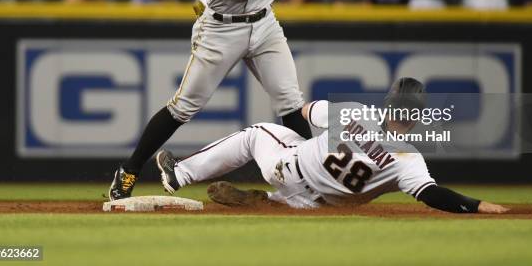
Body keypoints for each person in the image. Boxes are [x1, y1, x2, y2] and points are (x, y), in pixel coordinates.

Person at [109, 0, 312, 200]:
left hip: (265, 24)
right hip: (221, 29)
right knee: (183, 107)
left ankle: (313, 178)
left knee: (290, 101)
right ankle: (130, 169)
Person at [155, 77, 508, 214]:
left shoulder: (356, 111)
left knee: (257, 132)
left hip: (288, 168)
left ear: (389, 102)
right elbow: (432, 194)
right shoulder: (407, 158)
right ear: (416, 117)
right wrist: (480, 206)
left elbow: (304, 111)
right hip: (317, 204)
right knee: (305, 164)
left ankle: (180, 174)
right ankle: (269, 203)